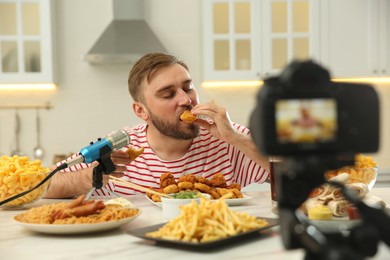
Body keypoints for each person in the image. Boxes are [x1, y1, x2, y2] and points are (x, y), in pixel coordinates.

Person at [45, 53, 270, 198]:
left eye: (188, 87)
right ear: (141, 111)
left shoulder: (228, 137)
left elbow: (300, 179)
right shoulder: (120, 148)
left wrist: (236, 139)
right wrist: (92, 176)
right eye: (168, 94)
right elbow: (43, 185)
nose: (185, 100)